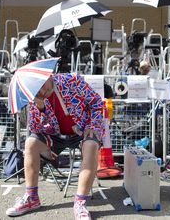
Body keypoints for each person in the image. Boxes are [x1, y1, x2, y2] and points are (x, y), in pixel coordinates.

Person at [6, 73, 104, 220]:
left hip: (82, 130)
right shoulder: (34, 97)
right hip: (55, 136)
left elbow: (96, 102)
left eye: (42, 85)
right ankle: (32, 198)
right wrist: (41, 109)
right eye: (35, 89)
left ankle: (80, 203)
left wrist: (92, 125)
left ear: (48, 75)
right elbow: (36, 128)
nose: (41, 91)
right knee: (30, 143)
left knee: (90, 145)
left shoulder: (72, 80)